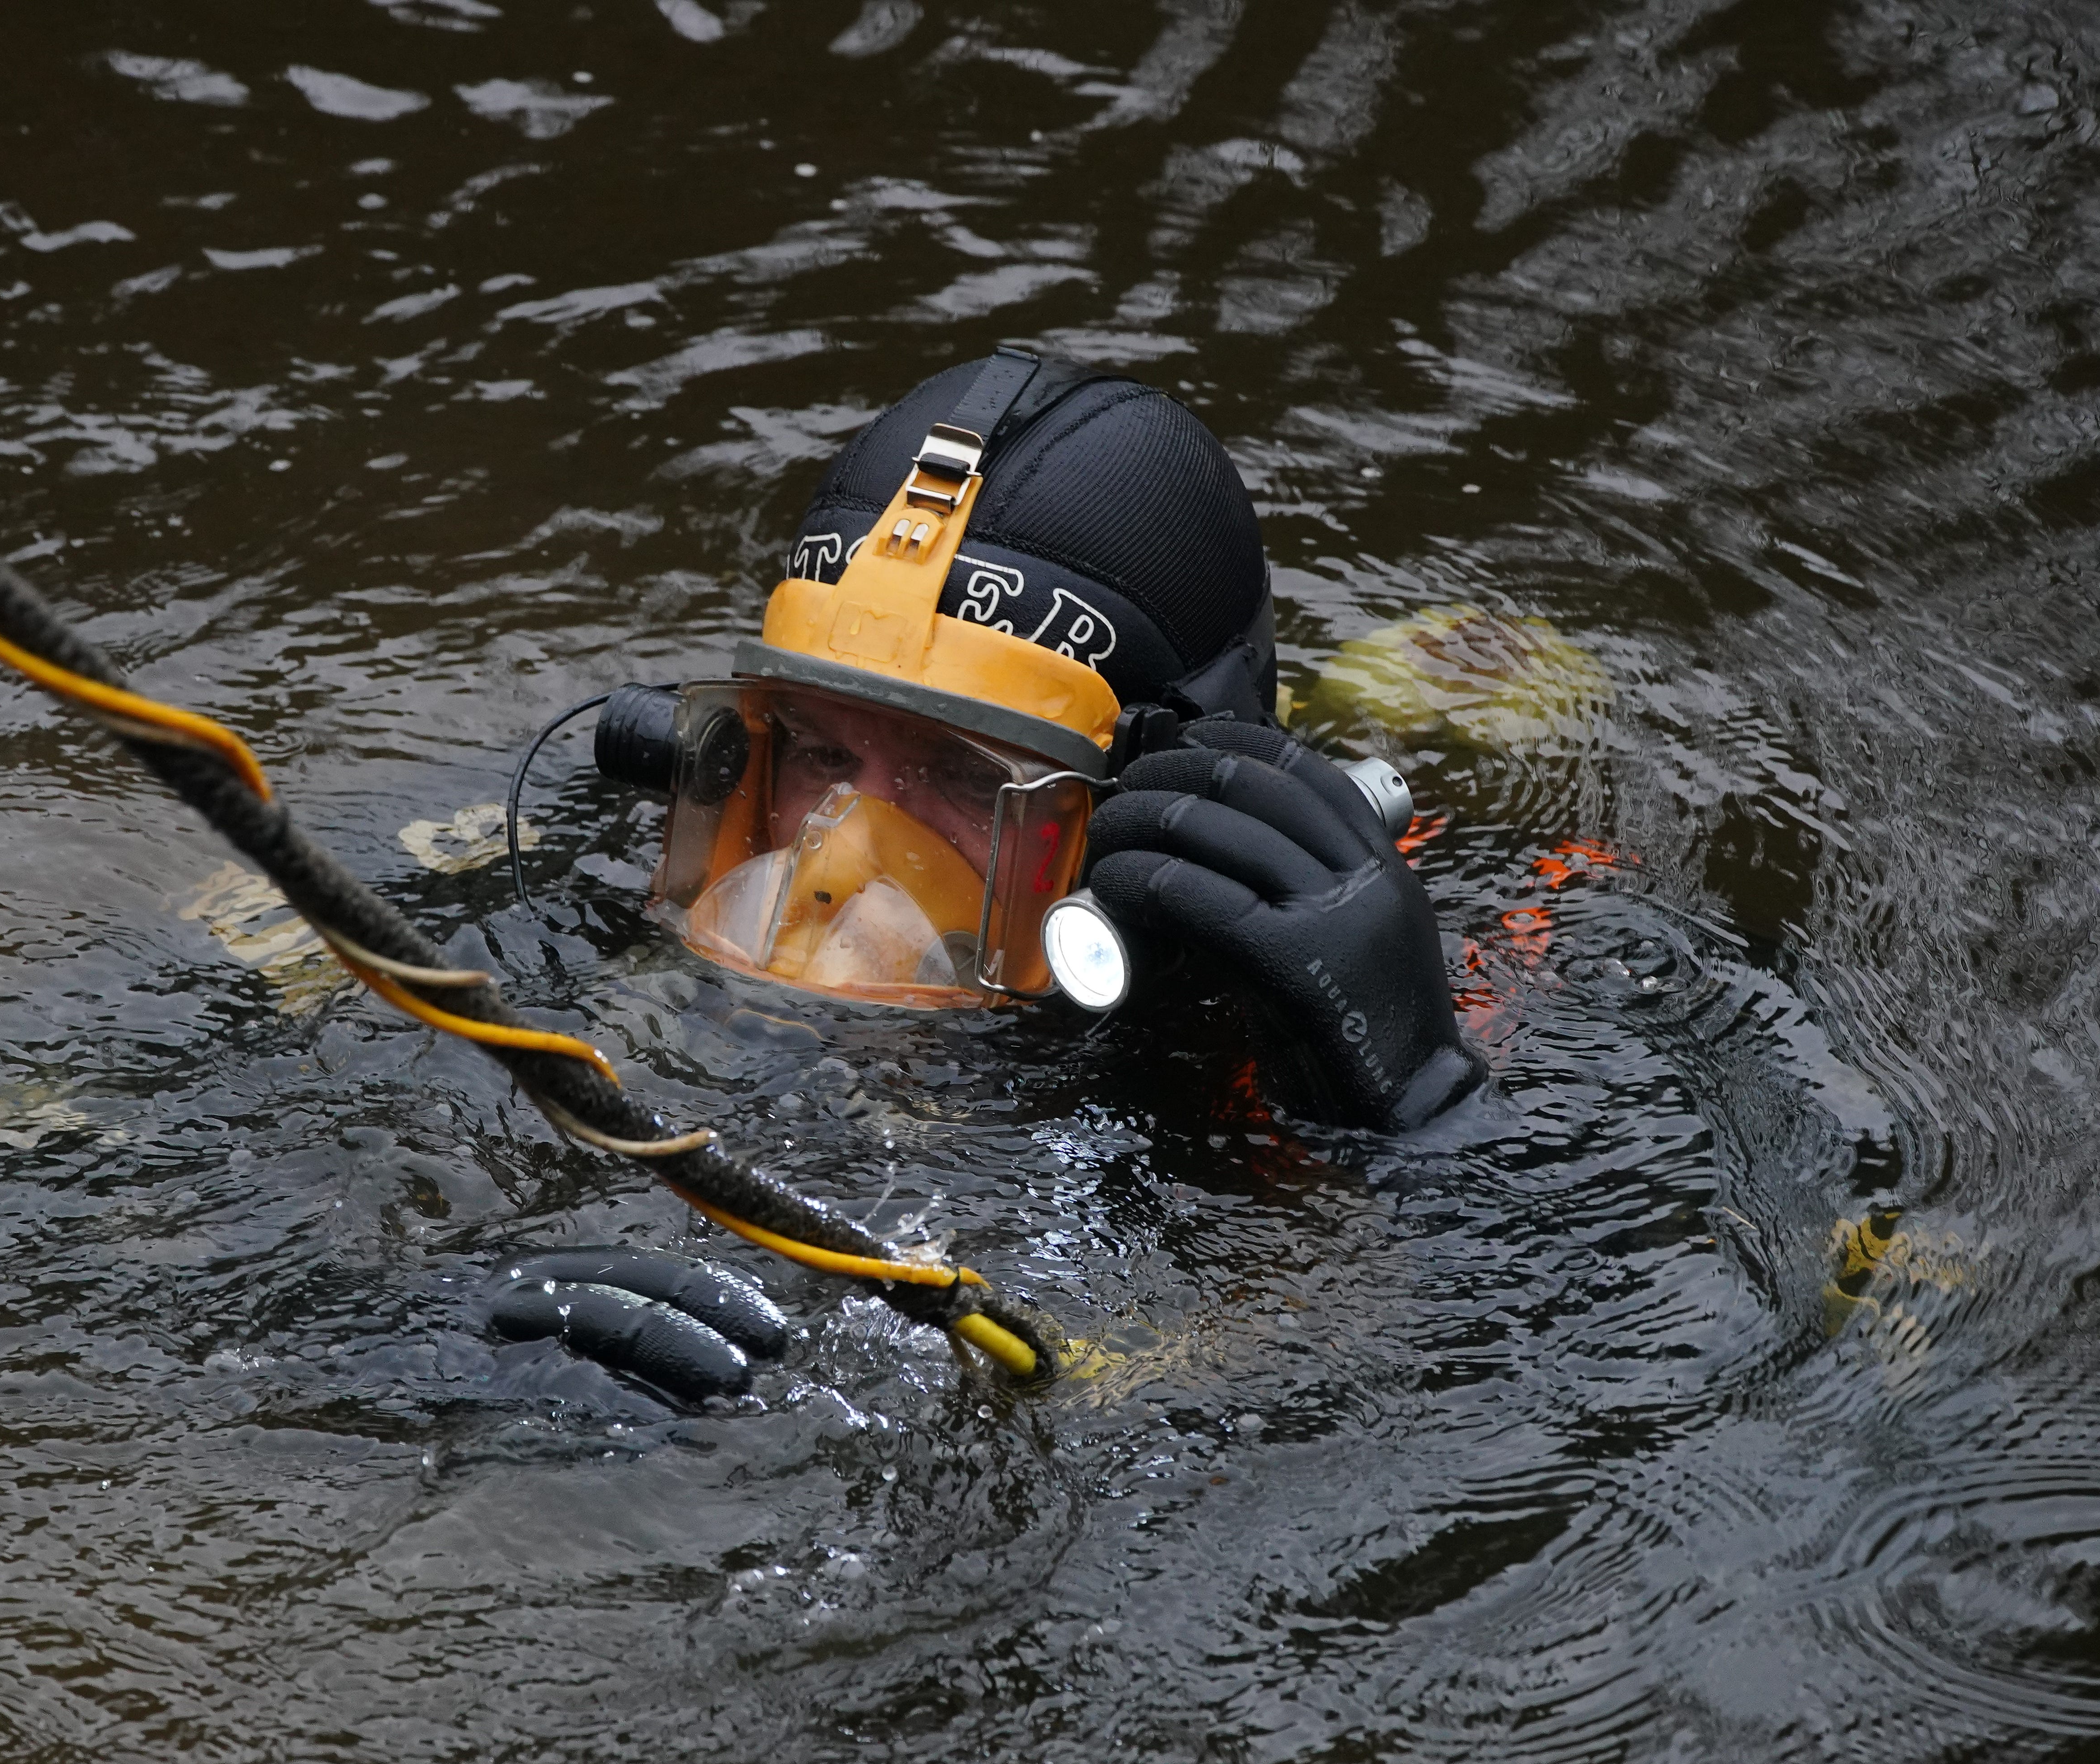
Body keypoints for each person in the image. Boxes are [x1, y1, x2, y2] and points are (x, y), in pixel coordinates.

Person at [496, 347, 1488, 1400]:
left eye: (963, 776)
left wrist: (1422, 1118)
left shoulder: (1348, 991)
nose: (839, 858)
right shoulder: (582, 899)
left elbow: (1502, 1359)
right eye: (821, 753)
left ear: (1147, 810)